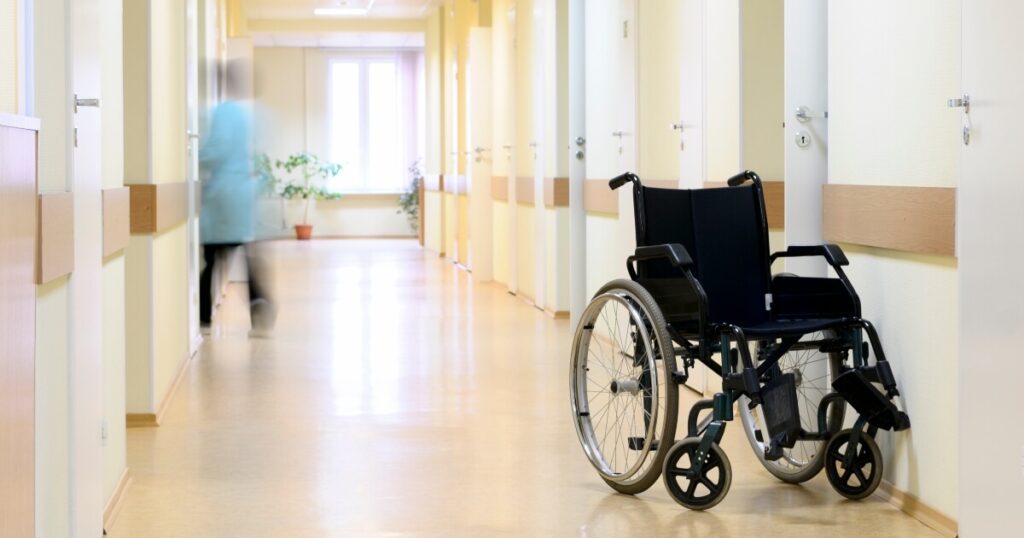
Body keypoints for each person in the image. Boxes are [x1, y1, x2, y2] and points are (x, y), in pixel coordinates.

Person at [198, 60, 274, 335]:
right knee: (246, 253)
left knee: (213, 259)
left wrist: (197, 158)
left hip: (223, 194)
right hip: (245, 193)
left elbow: (214, 150)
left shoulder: (222, 112)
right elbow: (262, 156)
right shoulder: (255, 114)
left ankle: (203, 316)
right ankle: (259, 301)